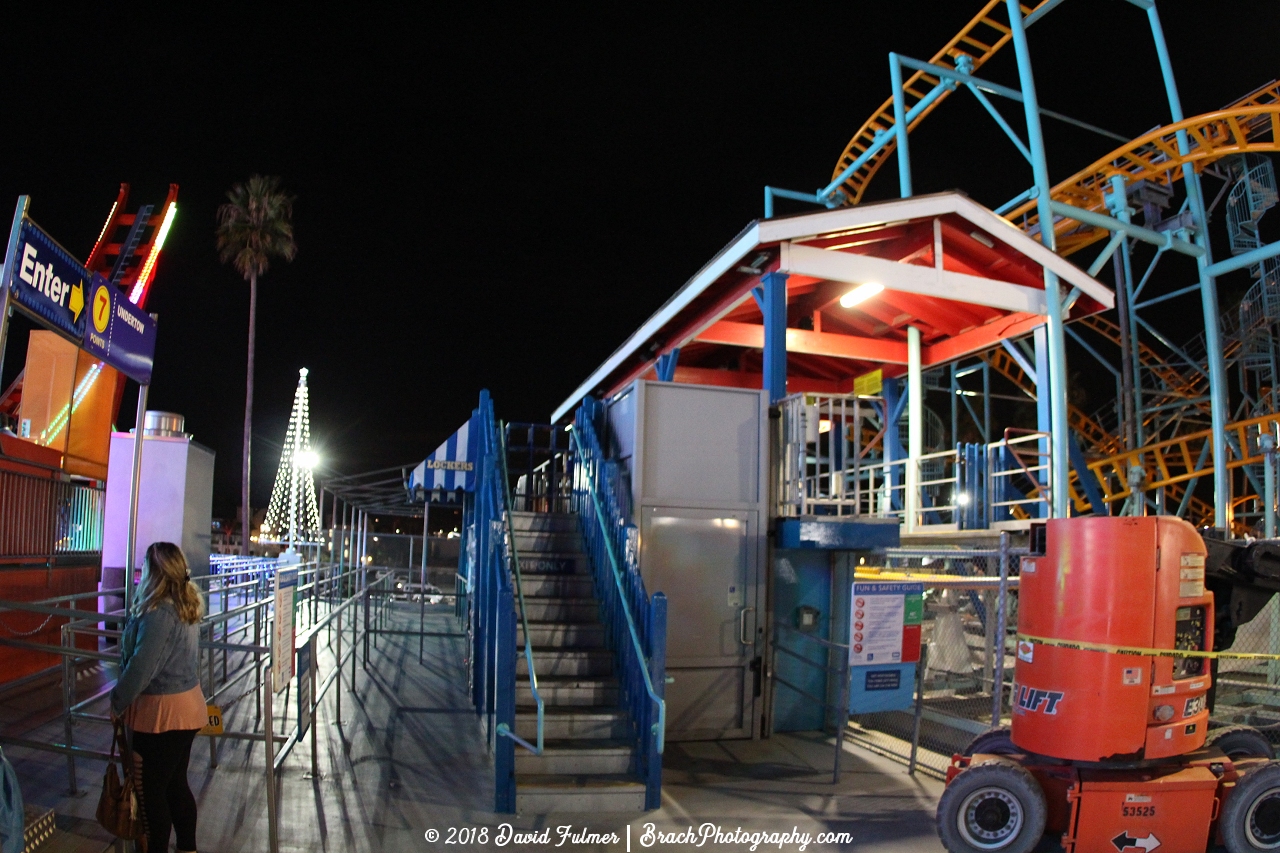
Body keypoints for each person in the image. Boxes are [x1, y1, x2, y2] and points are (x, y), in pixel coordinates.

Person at [110, 542, 205, 853]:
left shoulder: (160, 614)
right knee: (176, 786)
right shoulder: (185, 605)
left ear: (155, 574)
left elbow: (142, 667)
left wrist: (117, 701)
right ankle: (188, 848)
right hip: (187, 707)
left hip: (161, 716)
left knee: (152, 796)